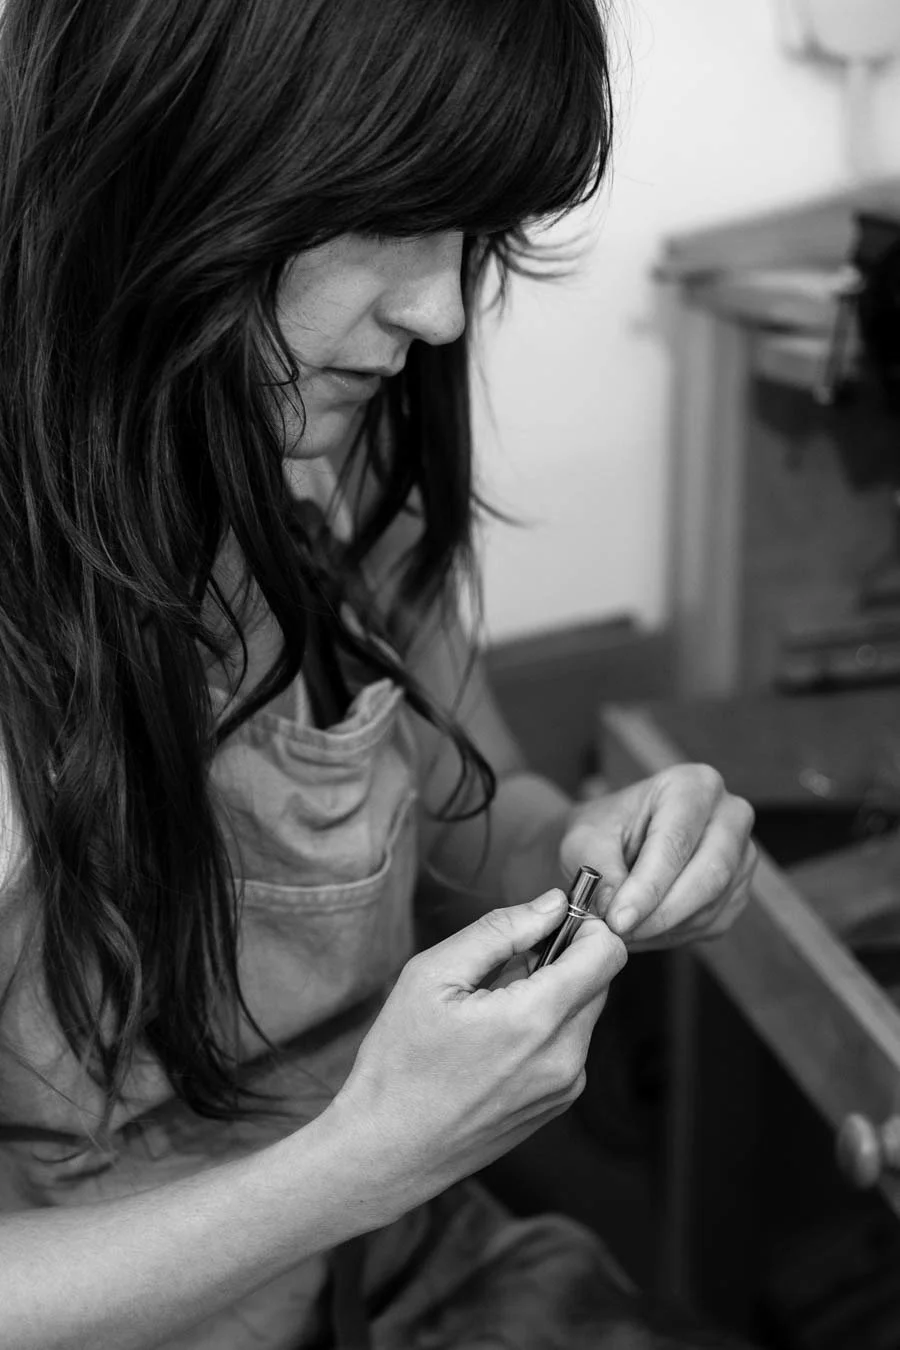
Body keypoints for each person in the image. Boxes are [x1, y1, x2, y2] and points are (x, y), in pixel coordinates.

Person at [0, 0, 758, 1346]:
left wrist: (588, 847)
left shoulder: (313, 435)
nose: (444, 306)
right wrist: (359, 1158)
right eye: (395, 210)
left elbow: (485, 812)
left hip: (402, 1259)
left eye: (476, 232)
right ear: (165, 149)